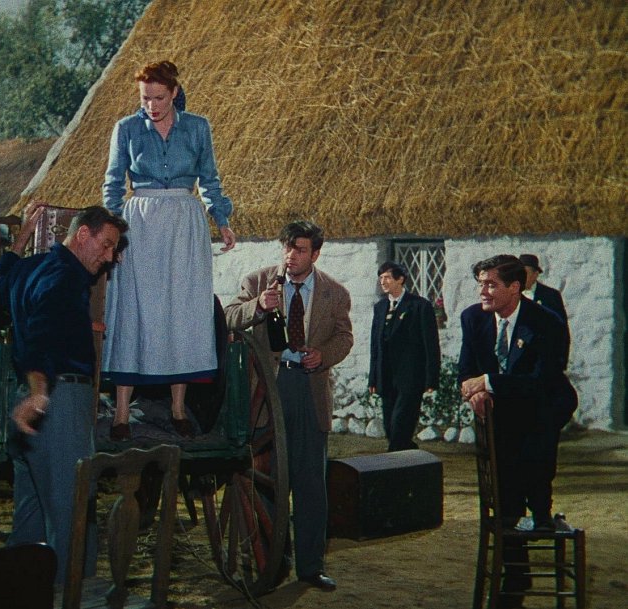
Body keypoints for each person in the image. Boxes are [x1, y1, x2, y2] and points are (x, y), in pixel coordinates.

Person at [0, 205, 128, 585]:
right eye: (106, 245)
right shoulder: (66, 278)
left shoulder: (30, 268)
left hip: (28, 404)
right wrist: (40, 393)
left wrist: (20, 238)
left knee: (32, 516)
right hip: (59, 400)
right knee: (72, 514)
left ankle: (22, 591)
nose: (109, 257)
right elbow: (42, 334)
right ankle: (72, 596)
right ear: (82, 234)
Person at [101, 60, 236, 441]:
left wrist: (222, 220)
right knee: (135, 309)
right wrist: (114, 237)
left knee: (182, 310)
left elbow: (209, 180)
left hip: (184, 222)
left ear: (174, 93)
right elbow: (113, 185)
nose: (152, 105)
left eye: (159, 97)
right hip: (140, 223)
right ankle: (122, 412)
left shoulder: (197, 127)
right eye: (145, 98)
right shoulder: (126, 129)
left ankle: (178, 407)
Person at [224, 221, 353, 591]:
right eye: (287, 248)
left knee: (311, 483)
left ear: (315, 254)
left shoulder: (334, 293)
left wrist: (323, 355)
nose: (291, 256)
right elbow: (228, 317)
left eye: (300, 249)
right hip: (268, 391)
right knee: (268, 479)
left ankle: (311, 566)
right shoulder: (258, 282)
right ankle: (272, 563)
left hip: (310, 390)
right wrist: (257, 307)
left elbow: (344, 337)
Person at [458, 255, 577, 608]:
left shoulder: (546, 322)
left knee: (529, 468)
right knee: (505, 495)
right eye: (480, 284)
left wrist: (489, 382)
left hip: (544, 407)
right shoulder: (473, 318)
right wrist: (476, 392)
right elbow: (466, 372)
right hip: (503, 412)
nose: (483, 291)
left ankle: (540, 509)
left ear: (514, 287)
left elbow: (541, 381)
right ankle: (516, 573)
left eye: (491, 284)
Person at [368, 261, 440, 451]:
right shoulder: (380, 307)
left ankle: (393, 464)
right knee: (390, 428)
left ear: (400, 279)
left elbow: (431, 345)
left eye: (387, 277)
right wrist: (373, 378)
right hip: (386, 377)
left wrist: (431, 378)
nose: (383, 282)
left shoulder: (419, 306)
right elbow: (375, 345)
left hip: (411, 378)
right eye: (381, 278)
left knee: (401, 424)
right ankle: (410, 455)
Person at [519, 254, 568, 324]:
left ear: (535, 275)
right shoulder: (510, 294)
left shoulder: (551, 296)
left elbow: (561, 326)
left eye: (525, 273)